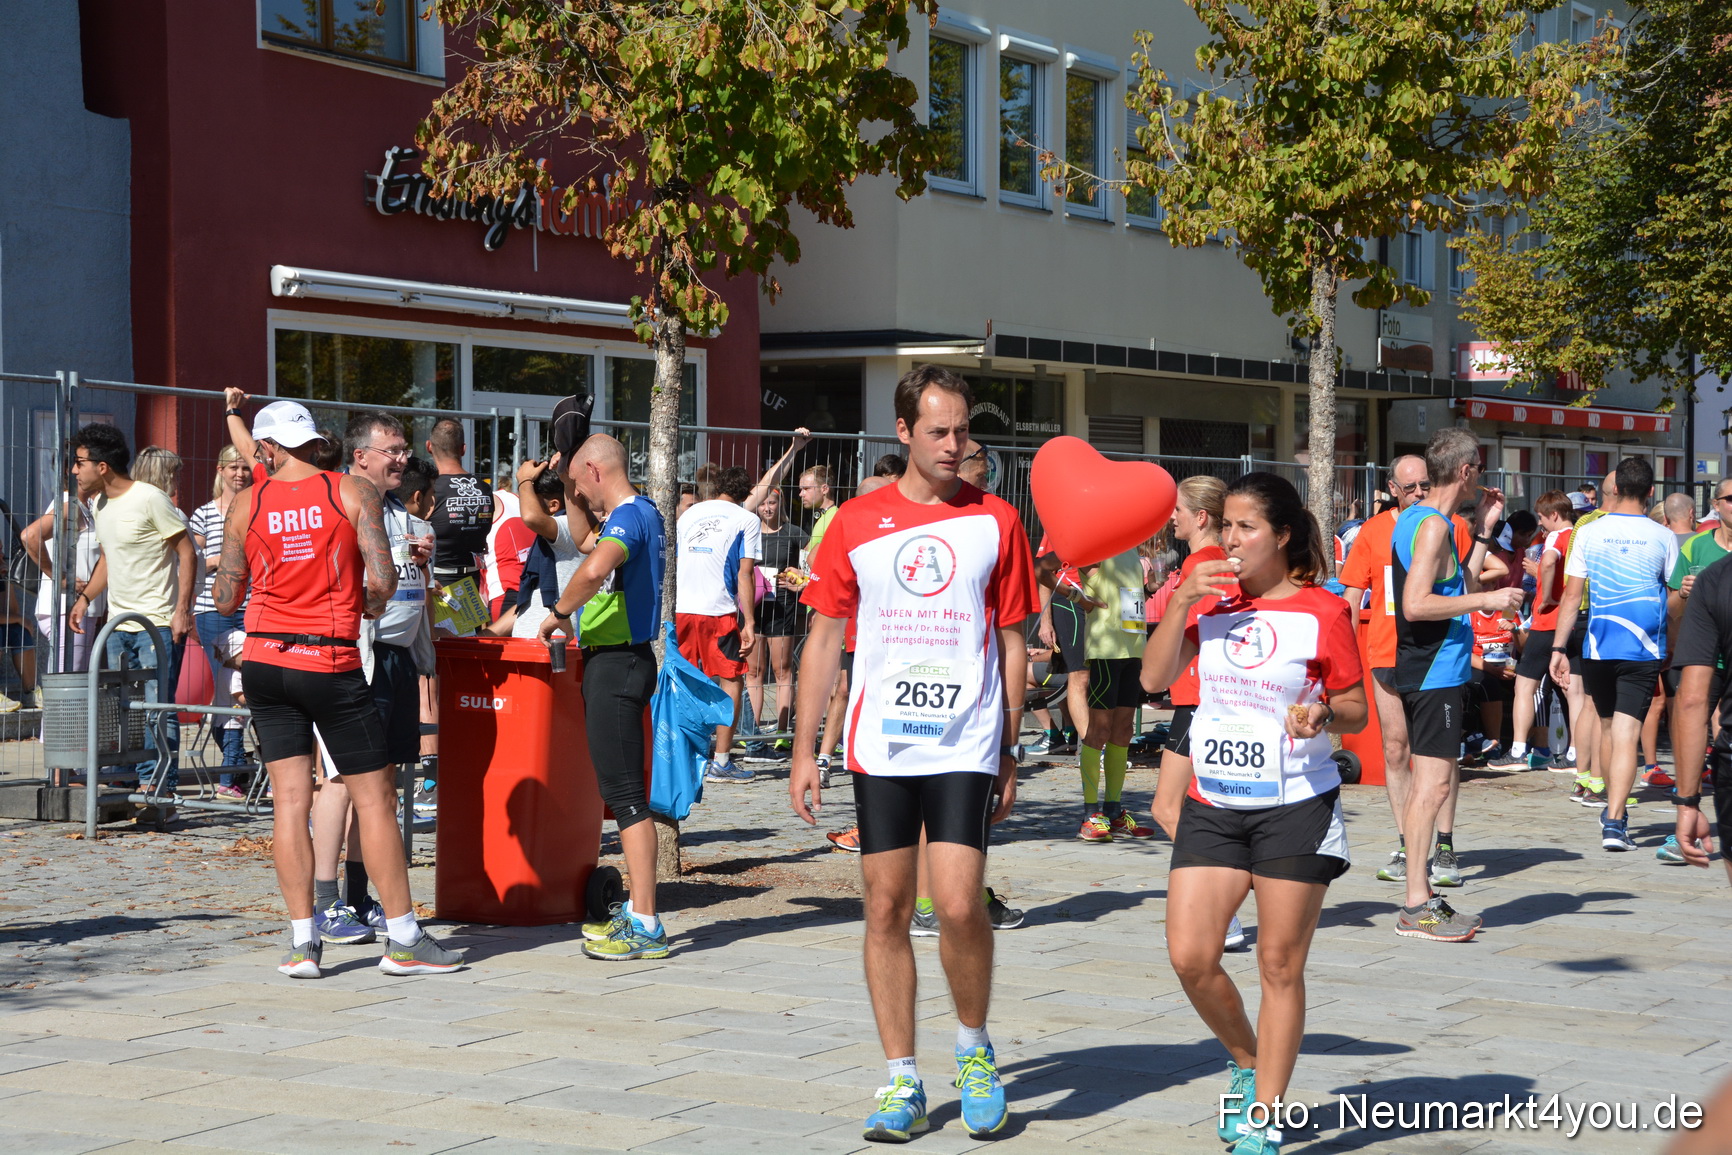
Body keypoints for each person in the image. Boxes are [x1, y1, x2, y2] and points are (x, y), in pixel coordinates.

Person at [791, 365, 1037, 1142]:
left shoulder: (997, 519)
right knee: (887, 907)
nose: (955, 445)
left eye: (963, 430)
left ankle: (973, 1048)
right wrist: (805, 749)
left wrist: (1010, 741)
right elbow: (823, 639)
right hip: (881, 744)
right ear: (903, 432)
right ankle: (902, 1076)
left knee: (960, 903)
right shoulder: (858, 522)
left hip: (966, 738)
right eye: (939, 431)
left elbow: (1013, 638)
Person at [1141, 472, 1367, 1155]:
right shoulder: (1210, 599)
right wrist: (1179, 601)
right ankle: (1246, 1058)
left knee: (1277, 962)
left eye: (1245, 527)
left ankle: (1267, 1114)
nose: (1231, 539)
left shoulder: (1322, 610)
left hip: (1295, 805)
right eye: (1225, 526)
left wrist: (1323, 711)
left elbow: (1357, 707)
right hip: (1214, 803)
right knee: (1190, 956)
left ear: (1282, 535)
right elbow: (1153, 680)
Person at [211, 400, 461, 979]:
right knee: (373, 797)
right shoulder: (350, 491)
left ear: (267, 448)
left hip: (266, 660)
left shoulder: (247, 503)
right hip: (328, 656)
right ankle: (402, 939)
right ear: (312, 442)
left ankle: (304, 943)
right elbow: (382, 579)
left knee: (291, 800)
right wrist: (361, 609)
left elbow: (225, 599)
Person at [306, 412, 437, 946]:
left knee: (380, 785)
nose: (402, 459)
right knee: (340, 781)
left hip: (398, 658)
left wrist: (422, 563)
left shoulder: (399, 513)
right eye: (392, 450)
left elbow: (410, 585)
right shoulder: (340, 506)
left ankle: (360, 899)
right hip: (354, 660)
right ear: (360, 456)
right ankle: (323, 902)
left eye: (405, 449)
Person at [538, 435, 669, 961]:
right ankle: (642, 916)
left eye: (580, 483)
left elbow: (593, 569)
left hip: (618, 663)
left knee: (625, 796)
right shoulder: (639, 514)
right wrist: (562, 482)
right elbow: (584, 540)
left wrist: (559, 613)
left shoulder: (631, 516)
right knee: (621, 792)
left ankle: (646, 922)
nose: (581, 496)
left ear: (595, 469)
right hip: (617, 661)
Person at [1388, 429, 1520, 941]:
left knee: (1433, 785)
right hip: (1432, 667)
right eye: (1479, 470)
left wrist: (1485, 531)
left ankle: (1419, 898)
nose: (1480, 480)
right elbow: (1419, 603)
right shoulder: (1432, 527)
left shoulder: (1424, 520)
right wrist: (1488, 601)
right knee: (1433, 787)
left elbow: (1453, 581)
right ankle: (1416, 903)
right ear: (1465, 471)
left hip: (1432, 666)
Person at [1337, 455, 1475, 888]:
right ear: (1392, 488)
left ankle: (1445, 846)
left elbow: (1464, 579)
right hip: (1386, 651)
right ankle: (1405, 843)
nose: (1419, 491)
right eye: (1410, 486)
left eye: (1424, 484)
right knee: (1396, 750)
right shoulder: (1374, 531)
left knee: (1438, 755)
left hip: (1435, 655)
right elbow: (1352, 592)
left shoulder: (1447, 523)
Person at [1549, 457, 1676, 851]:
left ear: (1616, 488)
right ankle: (1615, 822)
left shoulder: (1589, 532)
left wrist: (1558, 647)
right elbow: (1674, 597)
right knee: (1626, 734)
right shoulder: (1663, 536)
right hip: (1643, 646)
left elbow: (1572, 596)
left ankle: (1610, 809)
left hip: (1598, 645)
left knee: (1607, 726)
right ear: (1651, 492)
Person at [69, 426, 196, 793]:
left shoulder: (151, 498)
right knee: (128, 712)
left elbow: (186, 552)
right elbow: (109, 559)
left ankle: (160, 791)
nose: (76, 471)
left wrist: (182, 610)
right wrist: (84, 599)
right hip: (118, 627)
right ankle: (142, 782)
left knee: (157, 709)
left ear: (103, 466)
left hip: (156, 624)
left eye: (81, 463)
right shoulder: (100, 505)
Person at [674, 465, 761, 782]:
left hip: (681, 608)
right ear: (745, 495)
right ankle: (721, 762)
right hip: (718, 611)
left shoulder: (689, 514)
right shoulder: (747, 520)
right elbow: (745, 573)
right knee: (731, 680)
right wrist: (749, 622)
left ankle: (680, 755)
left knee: (683, 682)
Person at [1491, 491, 1579, 774]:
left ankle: (1518, 750)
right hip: (1575, 621)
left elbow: (1550, 562)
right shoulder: (1581, 535)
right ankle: (1576, 754)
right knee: (1573, 690)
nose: (1541, 526)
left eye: (1542, 519)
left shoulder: (1556, 536)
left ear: (1554, 514)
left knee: (1524, 686)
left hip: (1549, 621)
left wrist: (1545, 593)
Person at [1074, 544, 1156, 842]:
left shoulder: (1132, 548)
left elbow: (1130, 597)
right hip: (1106, 650)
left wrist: (1150, 589)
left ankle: (1114, 810)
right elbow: (1043, 569)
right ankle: (1089, 813)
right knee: (1100, 730)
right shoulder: (1098, 542)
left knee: (1123, 731)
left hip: (1133, 647)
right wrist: (1076, 597)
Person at [189, 445, 253, 794]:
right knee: (225, 692)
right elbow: (194, 560)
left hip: (251, 606)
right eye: (233, 467)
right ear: (220, 470)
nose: (240, 473)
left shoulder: (259, 508)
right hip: (211, 609)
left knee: (238, 689)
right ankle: (234, 769)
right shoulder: (203, 513)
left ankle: (233, 773)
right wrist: (225, 561)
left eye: (245, 467)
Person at [20, 460, 108, 675]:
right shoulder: (70, 505)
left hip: (78, 610)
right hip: (66, 610)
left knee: (76, 680)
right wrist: (59, 578)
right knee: (69, 680)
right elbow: (30, 536)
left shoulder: (83, 505)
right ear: (74, 470)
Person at [745, 482, 808, 761]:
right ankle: (753, 735)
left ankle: (783, 735)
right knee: (753, 672)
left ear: (779, 504)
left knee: (782, 670)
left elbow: (812, 562)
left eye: (771, 503)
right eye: (762, 503)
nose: (766, 508)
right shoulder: (749, 532)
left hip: (782, 608)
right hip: (752, 609)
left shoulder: (794, 533)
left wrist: (800, 578)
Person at [500, 459, 595, 640]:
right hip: (535, 643)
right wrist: (489, 633)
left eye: (530, 499)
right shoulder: (553, 535)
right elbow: (529, 601)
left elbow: (531, 517)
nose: (525, 503)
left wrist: (524, 481)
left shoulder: (570, 526)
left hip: (554, 642)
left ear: (553, 505)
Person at [424, 418, 497, 588]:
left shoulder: (431, 489)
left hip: (436, 584)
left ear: (429, 446)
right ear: (463, 449)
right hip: (473, 585)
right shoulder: (484, 488)